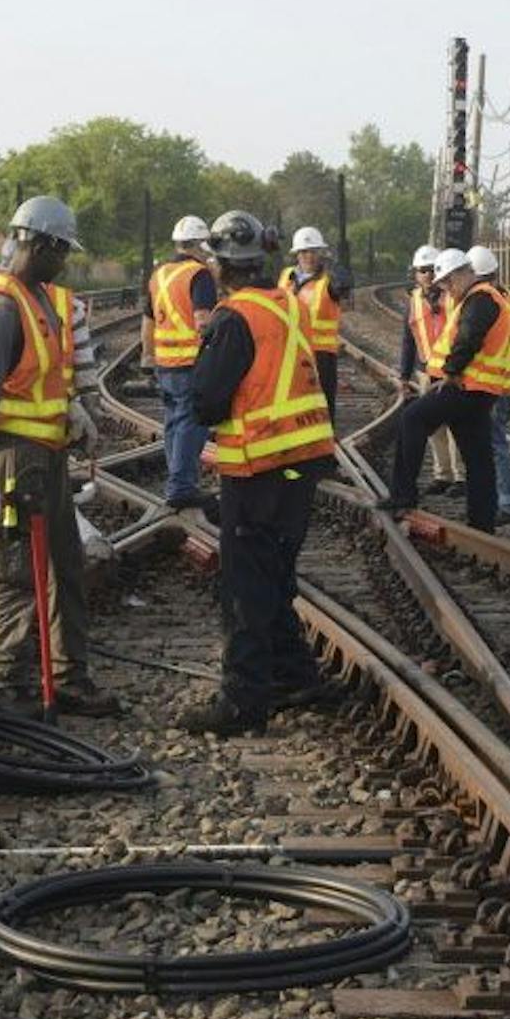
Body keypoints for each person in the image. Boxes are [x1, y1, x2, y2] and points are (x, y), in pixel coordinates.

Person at [0, 196, 121, 718]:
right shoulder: (2, 305)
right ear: (38, 243)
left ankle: (67, 676)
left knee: (65, 567)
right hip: (11, 459)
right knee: (15, 570)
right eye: (61, 250)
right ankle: (3, 684)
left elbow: (40, 377)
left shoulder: (39, 298)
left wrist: (71, 411)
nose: (65, 260)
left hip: (45, 456)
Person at [180, 210, 339, 735]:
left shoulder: (234, 318)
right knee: (273, 575)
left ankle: (244, 702)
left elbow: (204, 401)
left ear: (224, 265)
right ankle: (297, 675)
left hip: (260, 465)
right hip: (302, 461)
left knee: (245, 585)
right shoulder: (286, 303)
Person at [380, 247, 510, 532]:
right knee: (477, 456)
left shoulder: (480, 299)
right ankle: (482, 521)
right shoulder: (479, 298)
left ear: (463, 273)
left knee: (412, 419)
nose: (446, 289)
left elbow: (469, 338)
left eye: (447, 282)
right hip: (479, 389)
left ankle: (403, 495)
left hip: (465, 385)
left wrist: (451, 372)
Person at [141, 215, 220, 510]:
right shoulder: (199, 275)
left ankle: (178, 482)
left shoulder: (158, 274)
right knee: (191, 422)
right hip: (191, 362)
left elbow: (147, 321)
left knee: (174, 422)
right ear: (200, 244)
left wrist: (147, 357)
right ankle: (181, 486)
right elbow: (203, 320)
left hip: (165, 363)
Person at [396, 244, 464, 497]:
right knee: (434, 428)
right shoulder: (413, 301)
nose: (426, 275)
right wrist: (404, 375)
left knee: (456, 424)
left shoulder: (453, 297)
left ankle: (460, 476)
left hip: (451, 371)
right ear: (415, 274)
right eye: (421, 271)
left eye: (430, 270)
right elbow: (408, 339)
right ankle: (443, 475)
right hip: (426, 371)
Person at [278, 226, 347, 423]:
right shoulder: (285, 276)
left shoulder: (329, 281)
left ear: (321, 253)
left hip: (321, 353)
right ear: (297, 254)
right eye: (304, 252)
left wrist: (334, 267)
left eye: (314, 251)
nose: (309, 256)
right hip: (289, 351)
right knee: (292, 401)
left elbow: (344, 285)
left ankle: (326, 442)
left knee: (323, 401)